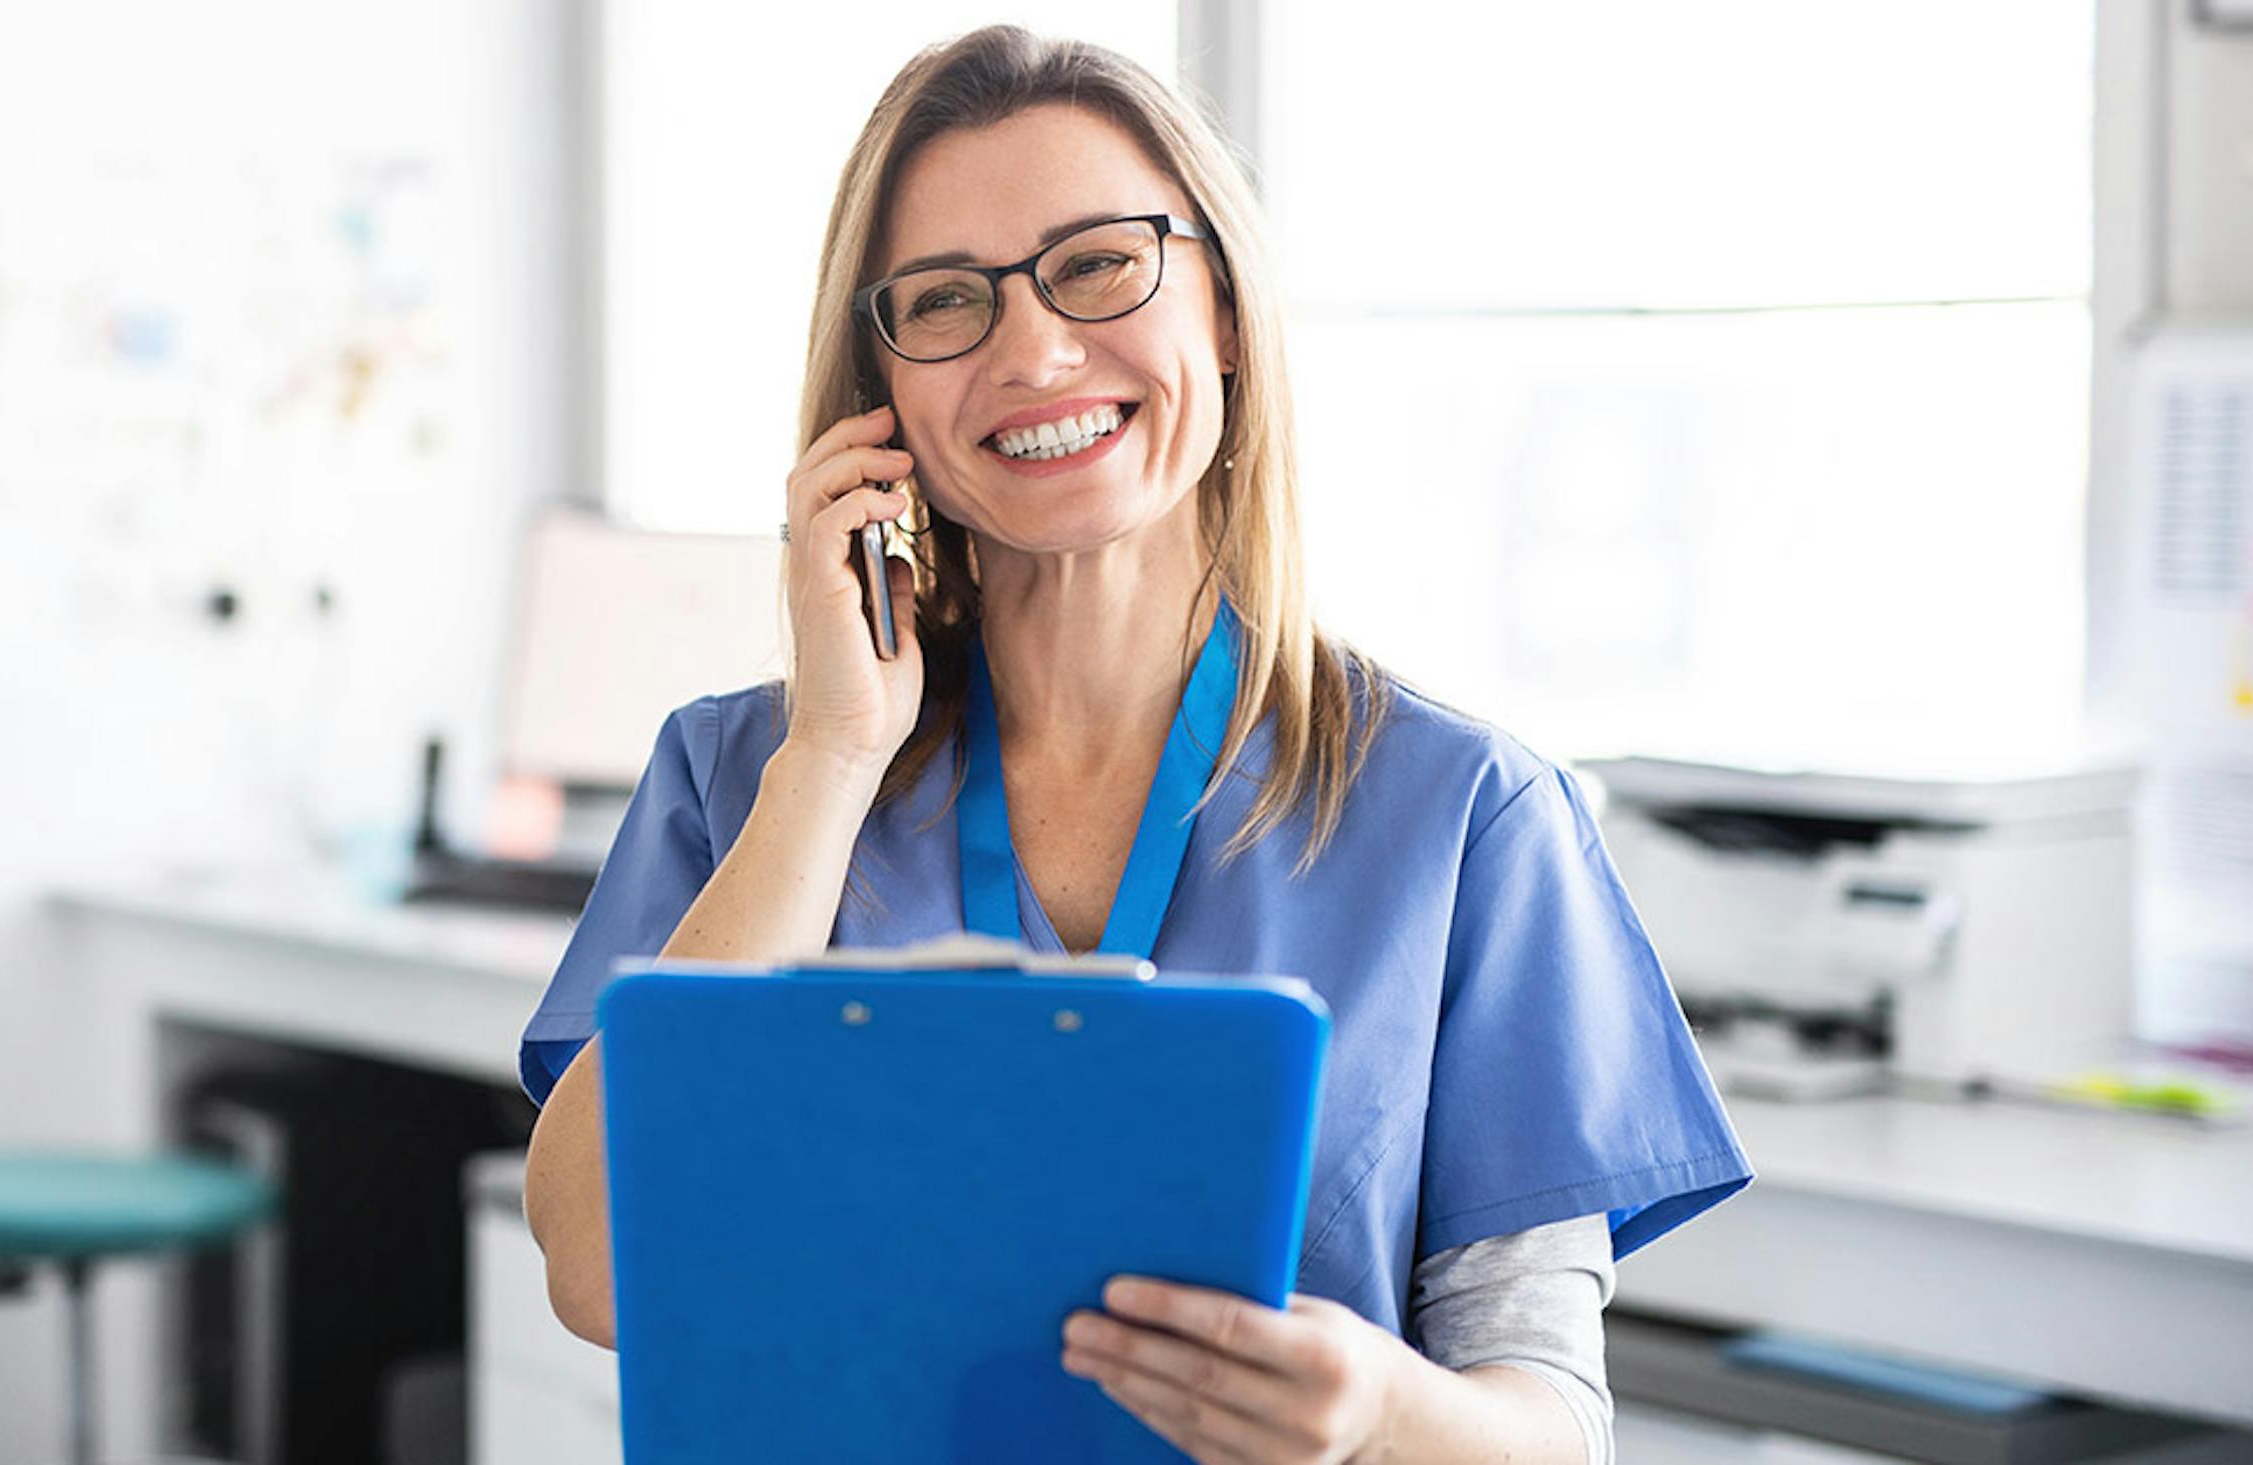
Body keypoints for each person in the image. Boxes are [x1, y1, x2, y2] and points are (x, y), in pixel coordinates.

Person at [517, 25, 1749, 1464]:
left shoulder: (1465, 815)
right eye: (946, 301)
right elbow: (599, 1270)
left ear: (1223, 308)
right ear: (884, 393)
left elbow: (1550, 1425)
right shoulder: (746, 779)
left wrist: (1374, 1409)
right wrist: (834, 762)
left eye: (1098, 264)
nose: (1032, 350)